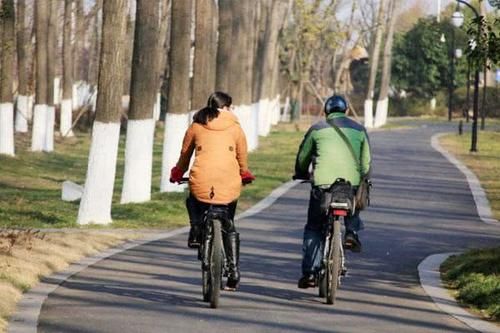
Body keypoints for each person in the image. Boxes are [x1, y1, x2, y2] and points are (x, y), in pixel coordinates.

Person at [169, 91, 255, 290]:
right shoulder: (235, 128)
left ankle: (197, 229)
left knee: (193, 199)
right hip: (229, 181)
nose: (231, 110)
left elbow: (185, 155)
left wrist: (177, 173)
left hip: (202, 181)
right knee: (230, 224)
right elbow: (242, 157)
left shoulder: (196, 126)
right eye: (230, 106)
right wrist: (244, 173)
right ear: (224, 108)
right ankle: (233, 270)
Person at [294, 95, 371, 289]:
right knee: (356, 195)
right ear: (346, 110)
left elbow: (303, 156)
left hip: (323, 185)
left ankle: (310, 273)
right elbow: (366, 162)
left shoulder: (317, 129)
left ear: (326, 111)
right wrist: (362, 177)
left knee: (314, 227)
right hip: (349, 185)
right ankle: (351, 232)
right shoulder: (360, 130)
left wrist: (301, 173)